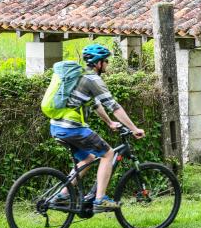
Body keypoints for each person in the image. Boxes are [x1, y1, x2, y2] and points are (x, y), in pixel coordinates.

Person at [50, 43, 145, 211]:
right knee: (108, 154)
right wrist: (134, 128)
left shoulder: (81, 77)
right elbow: (114, 106)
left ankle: (62, 195)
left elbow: (95, 104)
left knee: (89, 158)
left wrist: (109, 123)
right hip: (73, 128)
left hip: (57, 127)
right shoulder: (93, 79)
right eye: (106, 61)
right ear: (98, 63)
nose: (107, 64)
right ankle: (100, 200)